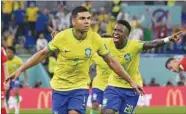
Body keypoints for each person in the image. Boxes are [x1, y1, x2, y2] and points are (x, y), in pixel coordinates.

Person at [6, 6, 144, 114]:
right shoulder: (62, 37)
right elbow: (42, 54)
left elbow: (112, 61)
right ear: (73, 21)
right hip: (59, 87)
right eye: (82, 18)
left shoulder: (95, 38)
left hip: (80, 87)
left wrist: (131, 81)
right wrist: (20, 69)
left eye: (88, 18)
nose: (87, 21)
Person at [101, 20, 182, 114]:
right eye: (115, 30)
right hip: (113, 86)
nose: (115, 33)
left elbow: (152, 44)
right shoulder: (106, 42)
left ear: (126, 36)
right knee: (107, 112)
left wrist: (168, 39)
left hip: (132, 89)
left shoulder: (134, 45)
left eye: (120, 31)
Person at [5, 46, 29, 114]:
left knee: (16, 91)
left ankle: (17, 110)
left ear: (13, 53)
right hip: (6, 79)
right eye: (6, 52)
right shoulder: (3, 60)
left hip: (15, 79)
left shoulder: (18, 60)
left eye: (9, 52)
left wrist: (26, 81)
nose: (7, 53)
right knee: (6, 93)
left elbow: (25, 71)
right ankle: (7, 109)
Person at [1, 47, 9, 114]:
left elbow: (5, 66)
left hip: (0, 82)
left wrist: (7, 81)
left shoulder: (1, 50)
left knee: (1, 104)